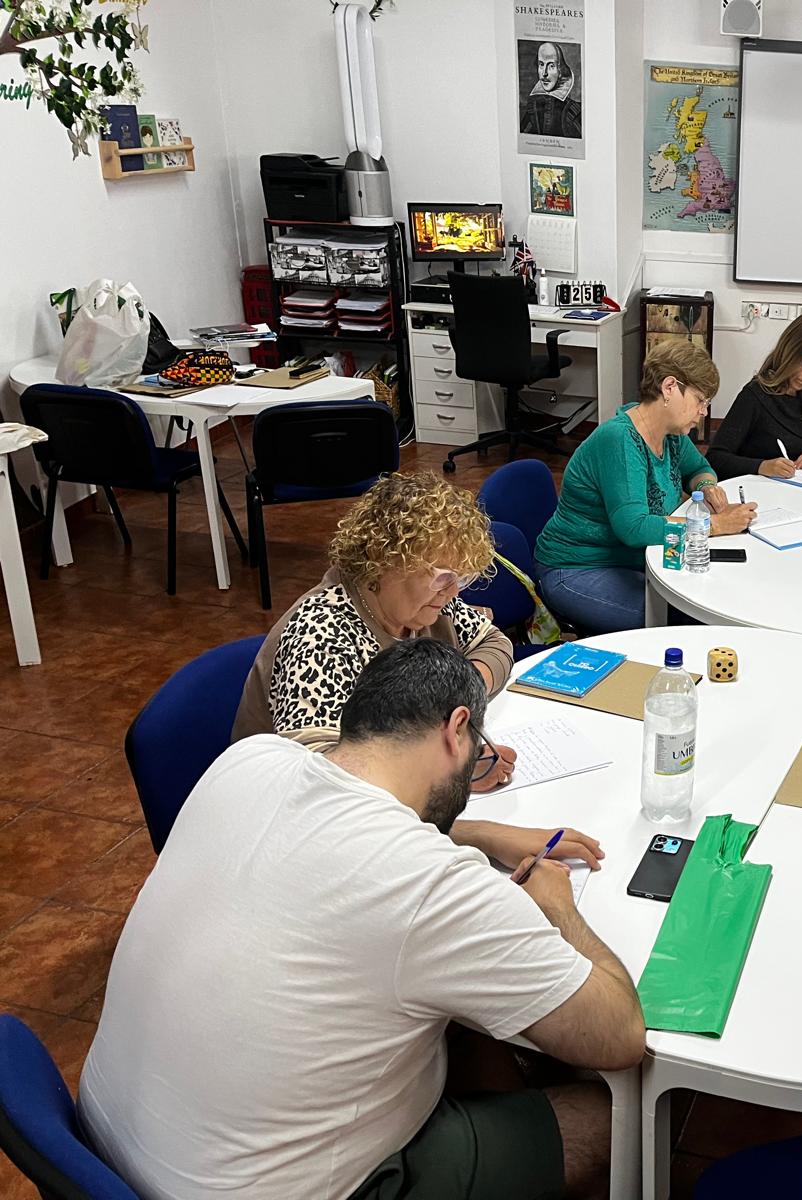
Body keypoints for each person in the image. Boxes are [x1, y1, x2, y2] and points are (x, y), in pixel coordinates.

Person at [81, 639, 645, 1199]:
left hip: (104, 1155)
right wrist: (558, 907)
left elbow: (339, 832)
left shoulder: (248, 759)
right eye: (479, 748)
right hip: (265, 1189)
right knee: (612, 1114)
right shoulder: (434, 883)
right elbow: (618, 1037)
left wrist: (482, 833)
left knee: (452, 1022)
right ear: (457, 729)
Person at [233, 471, 588, 874]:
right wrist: (448, 790)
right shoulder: (321, 635)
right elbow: (327, 797)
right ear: (383, 560)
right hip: (285, 846)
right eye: (443, 578)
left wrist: (452, 722)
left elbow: (494, 643)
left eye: (461, 578)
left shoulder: (428, 606)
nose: (453, 593)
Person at [536, 340, 756, 633]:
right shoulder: (620, 440)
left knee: (710, 598)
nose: (704, 411)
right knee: (681, 619)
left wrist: (707, 487)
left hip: (631, 560)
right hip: (576, 568)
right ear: (669, 387)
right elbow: (634, 527)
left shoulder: (670, 433)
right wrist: (714, 524)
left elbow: (699, 469)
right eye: (700, 400)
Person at [707, 312, 802, 479]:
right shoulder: (755, 396)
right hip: (761, 489)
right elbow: (716, 458)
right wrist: (762, 466)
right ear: (790, 353)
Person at [523, 41, 582, 140]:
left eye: (551, 66)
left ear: (560, 70)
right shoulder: (533, 105)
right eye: (541, 64)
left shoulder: (572, 111)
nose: (544, 73)